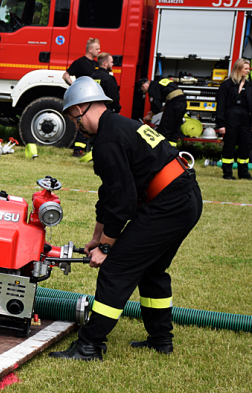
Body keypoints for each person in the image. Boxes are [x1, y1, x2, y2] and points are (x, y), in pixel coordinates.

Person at [49, 77, 202, 361]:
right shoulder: (121, 125)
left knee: (117, 269)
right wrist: (96, 237)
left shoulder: (107, 141)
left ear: (82, 108)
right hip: (185, 199)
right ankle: (161, 340)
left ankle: (89, 345)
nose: (75, 125)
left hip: (168, 204)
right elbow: (108, 193)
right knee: (152, 269)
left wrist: (106, 247)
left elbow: (122, 203)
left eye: (73, 118)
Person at [214, 58, 252, 180]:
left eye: (249, 68)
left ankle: (244, 173)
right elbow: (221, 104)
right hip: (230, 118)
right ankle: (227, 173)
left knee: (245, 145)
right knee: (229, 145)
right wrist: (220, 124)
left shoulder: (249, 85)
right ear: (238, 69)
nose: (248, 71)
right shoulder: (227, 85)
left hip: (245, 118)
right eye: (246, 68)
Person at [63, 38, 101, 157]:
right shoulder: (80, 62)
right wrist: (74, 86)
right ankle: (78, 150)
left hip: (94, 98)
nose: (99, 51)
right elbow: (65, 75)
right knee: (82, 122)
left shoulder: (96, 64)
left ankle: (90, 151)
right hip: (83, 99)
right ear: (90, 50)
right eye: (97, 49)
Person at [141, 76, 187, 145]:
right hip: (182, 102)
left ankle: (161, 151)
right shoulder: (160, 82)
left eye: (142, 90)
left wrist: (149, 116)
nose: (144, 92)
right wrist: (154, 112)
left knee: (164, 130)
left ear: (144, 85)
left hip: (174, 104)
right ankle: (172, 150)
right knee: (174, 130)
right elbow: (168, 102)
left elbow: (156, 106)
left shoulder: (152, 88)